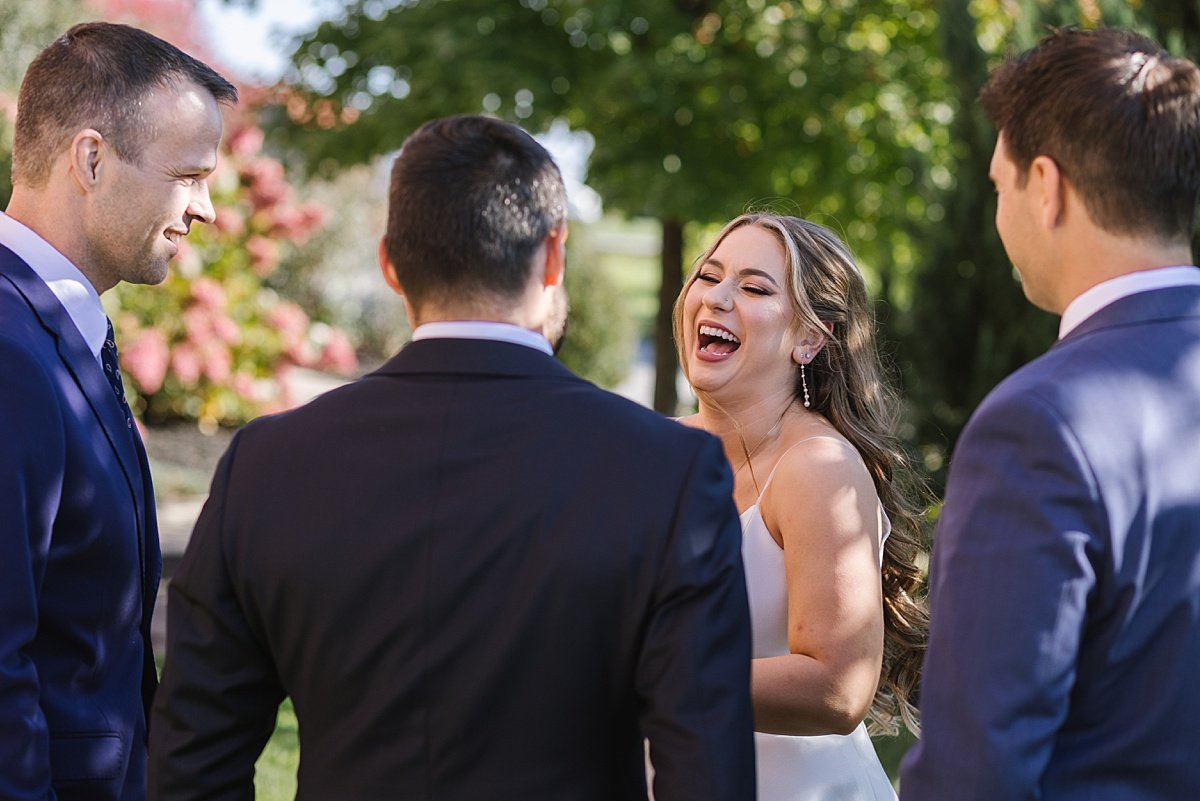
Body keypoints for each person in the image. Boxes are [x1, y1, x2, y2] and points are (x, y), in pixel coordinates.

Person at [147, 114, 756, 801]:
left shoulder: (266, 464)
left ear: (389, 264)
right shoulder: (669, 472)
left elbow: (192, 761)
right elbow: (707, 773)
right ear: (553, 256)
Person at [900, 27, 1200, 800]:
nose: (1000, 210)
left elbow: (975, 771)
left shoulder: (1038, 423)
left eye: (999, 184)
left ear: (1046, 184)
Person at [0, 22, 236, 801]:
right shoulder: (8, 349)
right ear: (92, 159)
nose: (206, 208)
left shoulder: (48, 332)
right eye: (189, 175)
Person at [672, 212, 928, 800]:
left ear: (810, 339)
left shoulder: (818, 467)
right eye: (709, 277)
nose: (717, 298)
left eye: (756, 288)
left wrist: (652, 677)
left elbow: (838, 690)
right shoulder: (653, 449)